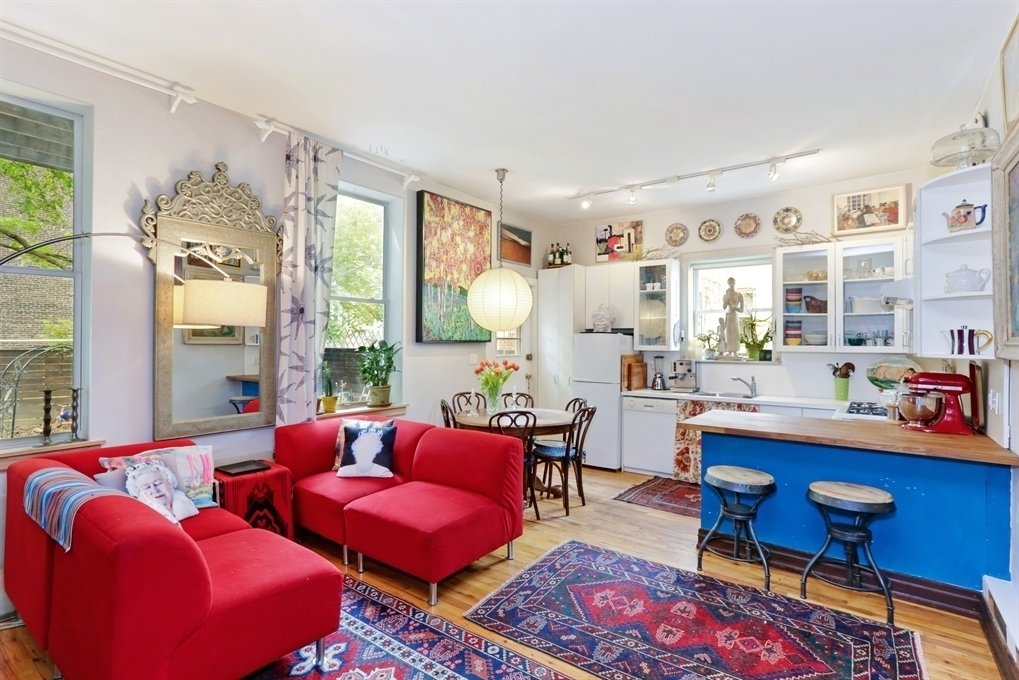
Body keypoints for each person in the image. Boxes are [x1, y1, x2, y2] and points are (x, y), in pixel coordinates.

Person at [125, 460, 198, 523]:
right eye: (147, 487)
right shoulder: (144, 514)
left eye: (158, 483)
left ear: (170, 482)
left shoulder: (183, 498)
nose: (154, 490)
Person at [721, 277, 744, 356]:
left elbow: (742, 310)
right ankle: (729, 350)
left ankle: (735, 351)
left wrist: (735, 307)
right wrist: (727, 296)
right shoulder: (726, 295)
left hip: (735, 314)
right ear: (728, 283)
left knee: (735, 332)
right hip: (729, 314)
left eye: (733, 282)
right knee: (729, 332)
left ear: (735, 282)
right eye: (730, 282)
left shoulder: (739, 295)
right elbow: (724, 307)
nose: (732, 283)